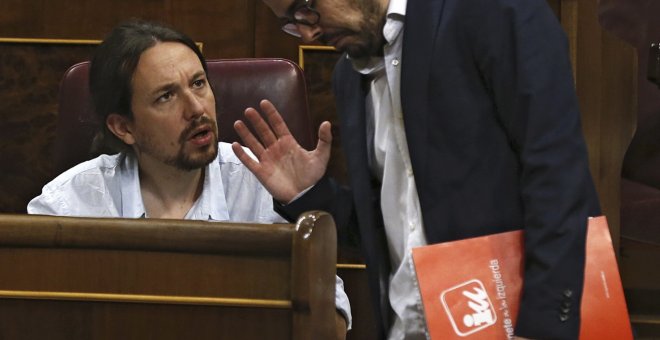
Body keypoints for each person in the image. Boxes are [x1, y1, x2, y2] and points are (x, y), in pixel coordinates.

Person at [233, 0, 601, 339]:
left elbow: (558, 177)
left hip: (515, 323)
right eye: (292, 25)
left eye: (306, 8)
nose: (309, 32)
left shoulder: (488, 10)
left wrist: (544, 326)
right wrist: (311, 195)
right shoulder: (348, 77)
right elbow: (395, 228)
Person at [27, 20, 351, 338]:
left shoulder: (265, 187)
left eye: (198, 83)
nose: (197, 108)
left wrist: (303, 202)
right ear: (124, 127)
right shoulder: (68, 206)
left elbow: (331, 323)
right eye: (166, 96)